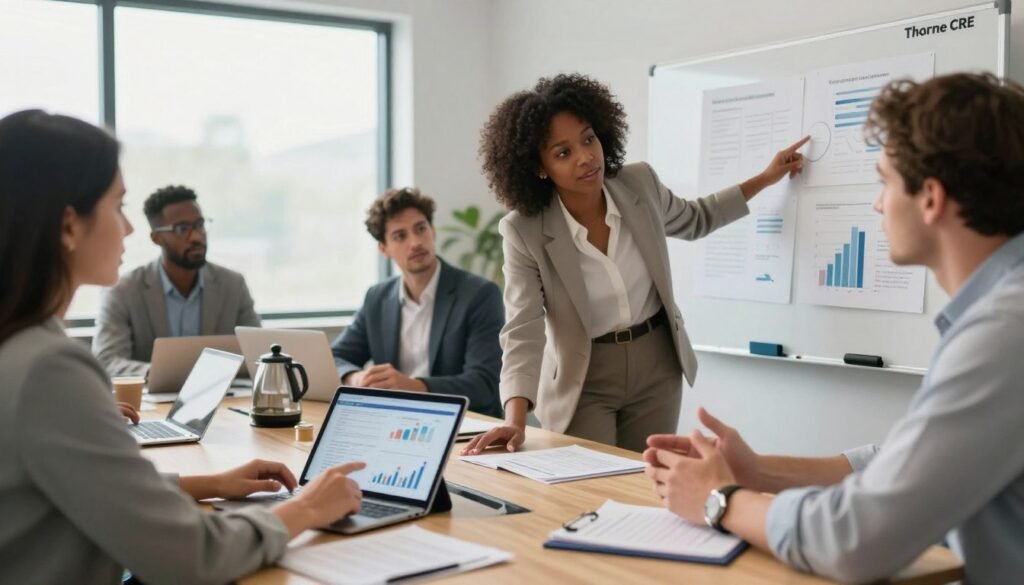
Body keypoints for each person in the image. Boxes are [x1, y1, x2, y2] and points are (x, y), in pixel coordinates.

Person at [643, 73, 1024, 584]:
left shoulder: (1005, 331)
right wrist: (757, 472)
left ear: (931, 198)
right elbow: (904, 460)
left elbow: (857, 539)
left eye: (885, 182)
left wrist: (720, 500)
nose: (877, 204)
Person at [0, 109, 366, 584]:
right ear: (69, 226)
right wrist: (305, 509)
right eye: (118, 206)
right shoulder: (49, 369)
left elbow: (84, 489)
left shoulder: (19, 347)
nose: (128, 229)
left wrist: (208, 483)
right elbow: (192, 556)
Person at [464, 73, 806, 453]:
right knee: (588, 490)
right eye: (563, 152)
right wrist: (515, 419)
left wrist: (765, 178)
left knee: (647, 482)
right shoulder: (523, 230)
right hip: (584, 375)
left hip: (656, 361)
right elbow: (523, 327)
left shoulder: (639, 183)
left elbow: (696, 219)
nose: (586, 157)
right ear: (539, 168)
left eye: (589, 139)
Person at [332, 187, 504, 417]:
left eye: (420, 229)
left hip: (465, 426)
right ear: (383, 248)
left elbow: (484, 384)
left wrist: (414, 386)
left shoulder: (480, 294)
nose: (415, 242)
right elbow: (336, 357)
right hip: (395, 421)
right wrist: (355, 377)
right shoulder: (377, 298)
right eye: (400, 236)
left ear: (432, 231)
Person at [92, 184, 260, 377]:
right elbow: (107, 361)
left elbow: (257, 355)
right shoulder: (123, 290)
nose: (197, 236)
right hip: (153, 404)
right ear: (156, 238)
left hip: (226, 401)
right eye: (182, 229)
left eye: (199, 225)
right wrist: (165, 374)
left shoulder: (233, 285)